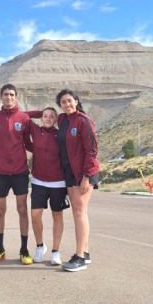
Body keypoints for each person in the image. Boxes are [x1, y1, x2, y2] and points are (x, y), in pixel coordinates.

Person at [0, 84, 33, 265]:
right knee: (0, 211)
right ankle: (0, 250)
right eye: (5, 94)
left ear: (17, 96)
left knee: (22, 210)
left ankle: (24, 250)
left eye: (12, 95)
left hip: (20, 172)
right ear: (0, 97)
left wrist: (48, 150)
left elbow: (29, 143)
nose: (8, 97)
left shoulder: (24, 118)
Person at [56, 89, 100, 272]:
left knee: (79, 212)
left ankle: (79, 257)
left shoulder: (83, 121)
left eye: (69, 101)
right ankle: (86, 252)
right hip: (69, 172)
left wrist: (87, 177)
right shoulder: (62, 120)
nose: (67, 104)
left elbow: (92, 150)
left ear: (76, 101)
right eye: (63, 102)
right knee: (79, 211)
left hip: (83, 174)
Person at [27, 107, 69, 265]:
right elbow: (23, 116)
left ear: (56, 119)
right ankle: (40, 247)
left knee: (57, 215)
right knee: (35, 215)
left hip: (58, 182)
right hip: (38, 182)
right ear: (41, 118)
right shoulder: (35, 130)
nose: (48, 118)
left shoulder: (60, 134)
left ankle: (55, 252)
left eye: (52, 116)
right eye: (45, 116)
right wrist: (38, 113)